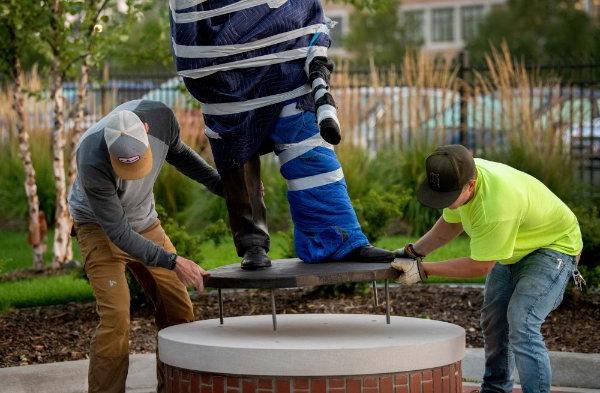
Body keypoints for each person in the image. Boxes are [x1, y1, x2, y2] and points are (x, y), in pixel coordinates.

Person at [169, 0, 393, 269]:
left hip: (286, 68)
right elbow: (187, 23)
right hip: (227, 80)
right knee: (238, 166)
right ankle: (253, 244)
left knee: (311, 155)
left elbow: (307, 10)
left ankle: (336, 237)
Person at [392, 144, 584, 393]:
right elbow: (450, 224)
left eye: (449, 197)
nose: (445, 203)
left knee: (522, 320)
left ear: (470, 185)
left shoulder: (495, 206)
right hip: (514, 247)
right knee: (494, 320)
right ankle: (495, 389)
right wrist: (413, 253)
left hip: (554, 247)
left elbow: (480, 265)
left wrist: (423, 270)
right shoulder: (460, 173)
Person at [68, 99, 223, 393]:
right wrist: (174, 260)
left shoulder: (161, 119)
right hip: (99, 227)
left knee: (178, 307)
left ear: (146, 129)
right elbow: (118, 232)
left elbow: (181, 155)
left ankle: (175, 387)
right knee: (115, 318)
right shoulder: (90, 155)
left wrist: (220, 185)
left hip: (145, 221)